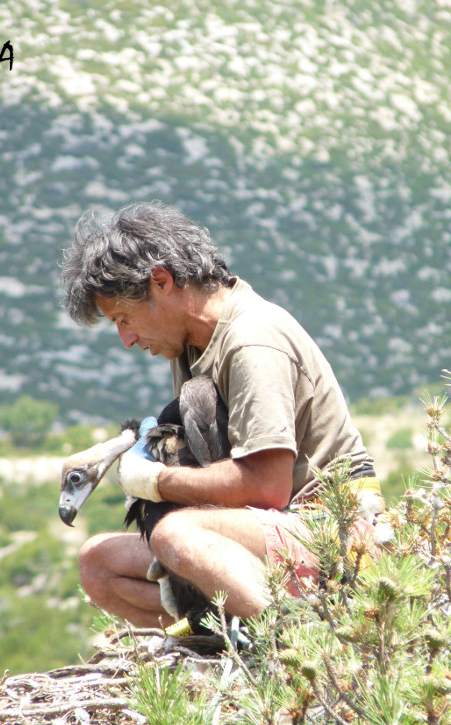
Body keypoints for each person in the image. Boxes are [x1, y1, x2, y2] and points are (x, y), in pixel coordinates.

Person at [60, 201, 383, 628]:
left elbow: (268, 487)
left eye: (124, 318)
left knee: (177, 535)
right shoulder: (189, 344)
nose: (127, 338)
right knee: (99, 564)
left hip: (335, 534)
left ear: (160, 282)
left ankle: (296, 641)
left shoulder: (251, 340)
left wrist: (156, 483)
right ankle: (228, 634)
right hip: (270, 534)